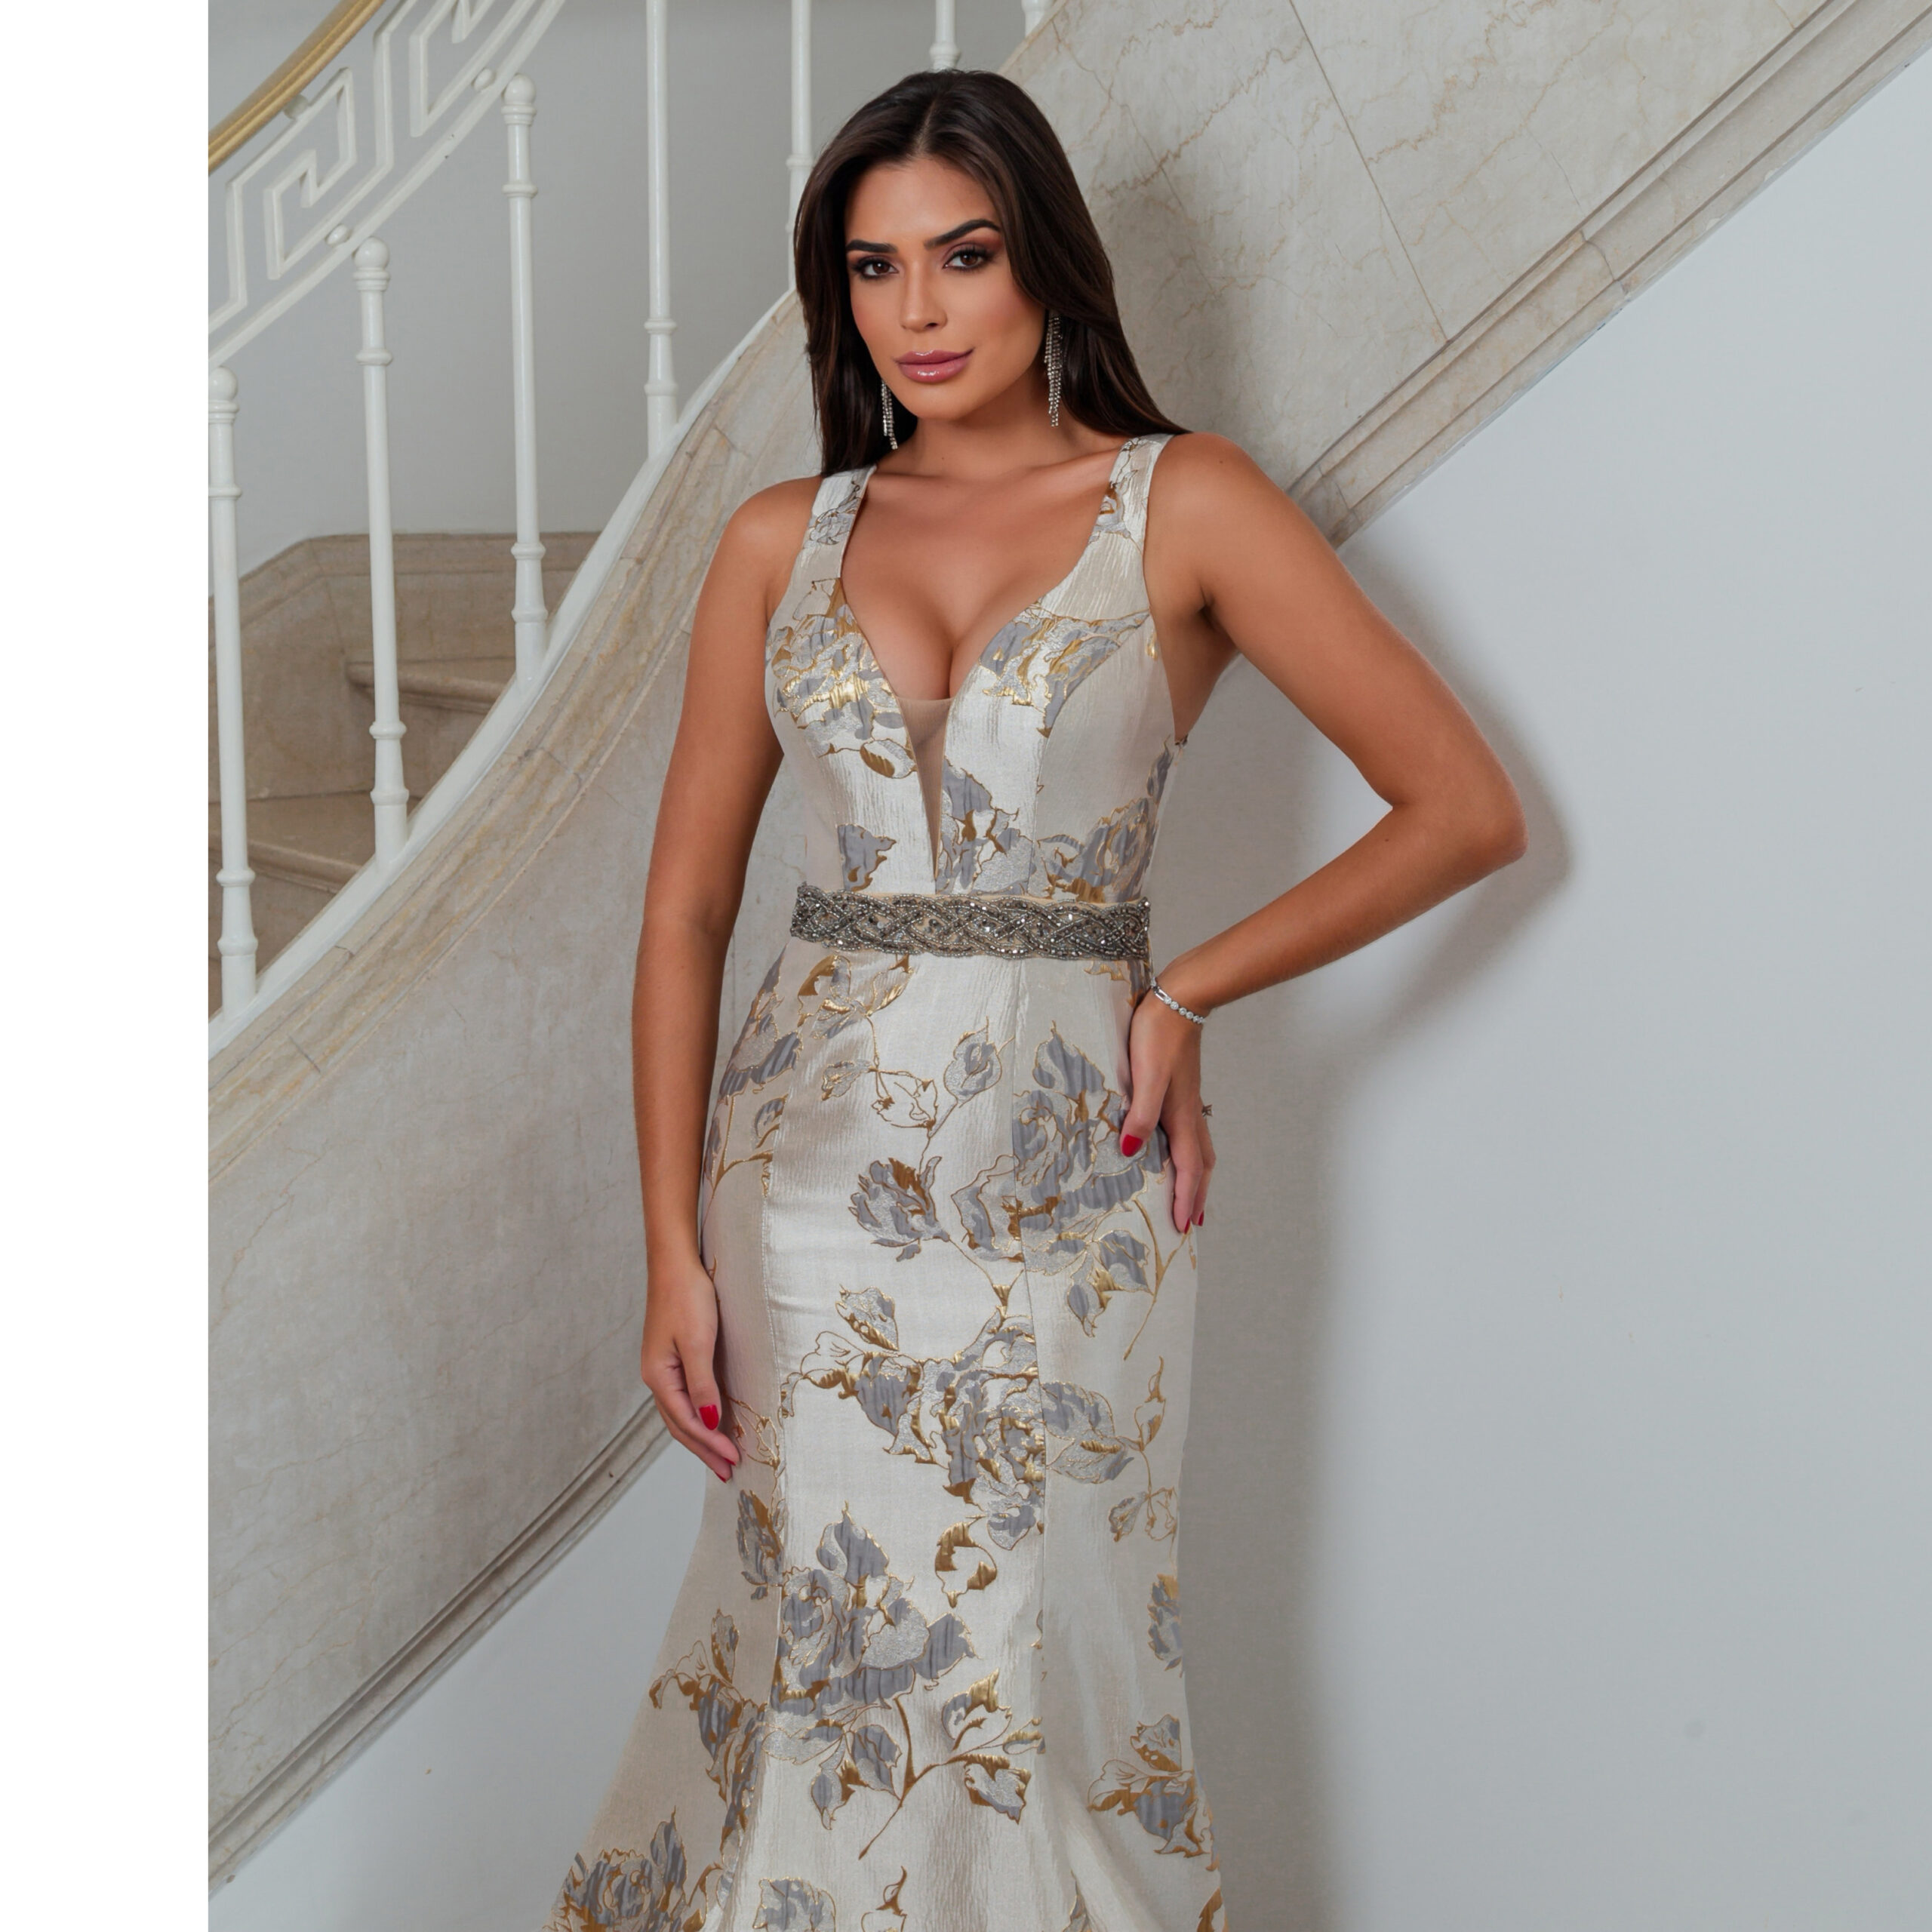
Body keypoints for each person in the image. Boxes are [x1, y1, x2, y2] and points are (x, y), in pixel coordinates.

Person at [545, 66, 1523, 1932]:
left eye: (963, 256)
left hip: (1064, 1175)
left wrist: (1194, 986)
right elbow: (682, 911)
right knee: (814, 1643)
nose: (917, 311)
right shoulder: (779, 538)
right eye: (873, 268)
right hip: (800, 1192)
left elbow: (1460, 806)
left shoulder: (1184, 503)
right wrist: (668, 1242)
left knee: (1036, 1644)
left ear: (1045, 264)